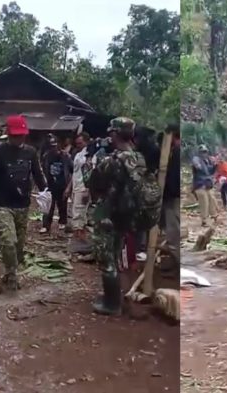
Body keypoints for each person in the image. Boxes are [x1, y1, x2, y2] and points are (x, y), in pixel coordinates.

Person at [87, 117, 157, 315]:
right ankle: (115, 298)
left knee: (106, 258)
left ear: (115, 134)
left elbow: (92, 183)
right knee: (116, 254)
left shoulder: (111, 160)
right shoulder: (139, 159)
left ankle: (111, 304)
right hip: (126, 215)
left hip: (108, 213)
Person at [0, 115, 47, 290]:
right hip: (2, 203)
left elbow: (37, 173)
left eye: (21, 135)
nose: (18, 138)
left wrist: (46, 191)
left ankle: (10, 271)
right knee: (7, 240)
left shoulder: (30, 152)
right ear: (8, 134)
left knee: (18, 246)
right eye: (15, 135)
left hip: (23, 204)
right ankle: (12, 274)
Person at [40, 136, 72, 234]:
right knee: (48, 206)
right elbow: (43, 169)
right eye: (51, 146)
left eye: (54, 146)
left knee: (62, 205)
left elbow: (72, 171)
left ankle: (62, 221)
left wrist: (68, 187)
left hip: (62, 183)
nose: (53, 148)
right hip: (50, 184)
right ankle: (46, 225)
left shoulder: (66, 156)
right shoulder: (46, 156)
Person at [66, 132, 91, 253]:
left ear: (86, 141)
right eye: (77, 143)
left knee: (79, 215)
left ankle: (80, 243)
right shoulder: (77, 154)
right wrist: (69, 188)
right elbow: (75, 172)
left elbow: (91, 174)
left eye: (80, 143)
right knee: (76, 213)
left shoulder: (90, 154)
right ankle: (80, 241)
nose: (78, 145)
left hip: (83, 188)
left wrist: (88, 190)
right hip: (76, 186)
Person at [162, 125, 181, 264]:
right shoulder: (176, 151)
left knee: (173, 226)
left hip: (173, 196)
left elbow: (173, 176)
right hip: (174, 194)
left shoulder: (177, 152)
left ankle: (176, 259)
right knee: (174, 225)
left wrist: (169, 193)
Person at [192, 145, 217, 227]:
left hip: (207, 185)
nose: (204, 154)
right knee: (204, 203)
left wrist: (215, 165)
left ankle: (214, 216)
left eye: (205, 152)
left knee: (212, 200)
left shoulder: (208, 160)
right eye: (202, 152)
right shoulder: (196, 159)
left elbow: (211, 171)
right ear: (199, 153)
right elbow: (198, 167)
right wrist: (198, 165)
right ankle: (204, 220)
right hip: (200, 185)